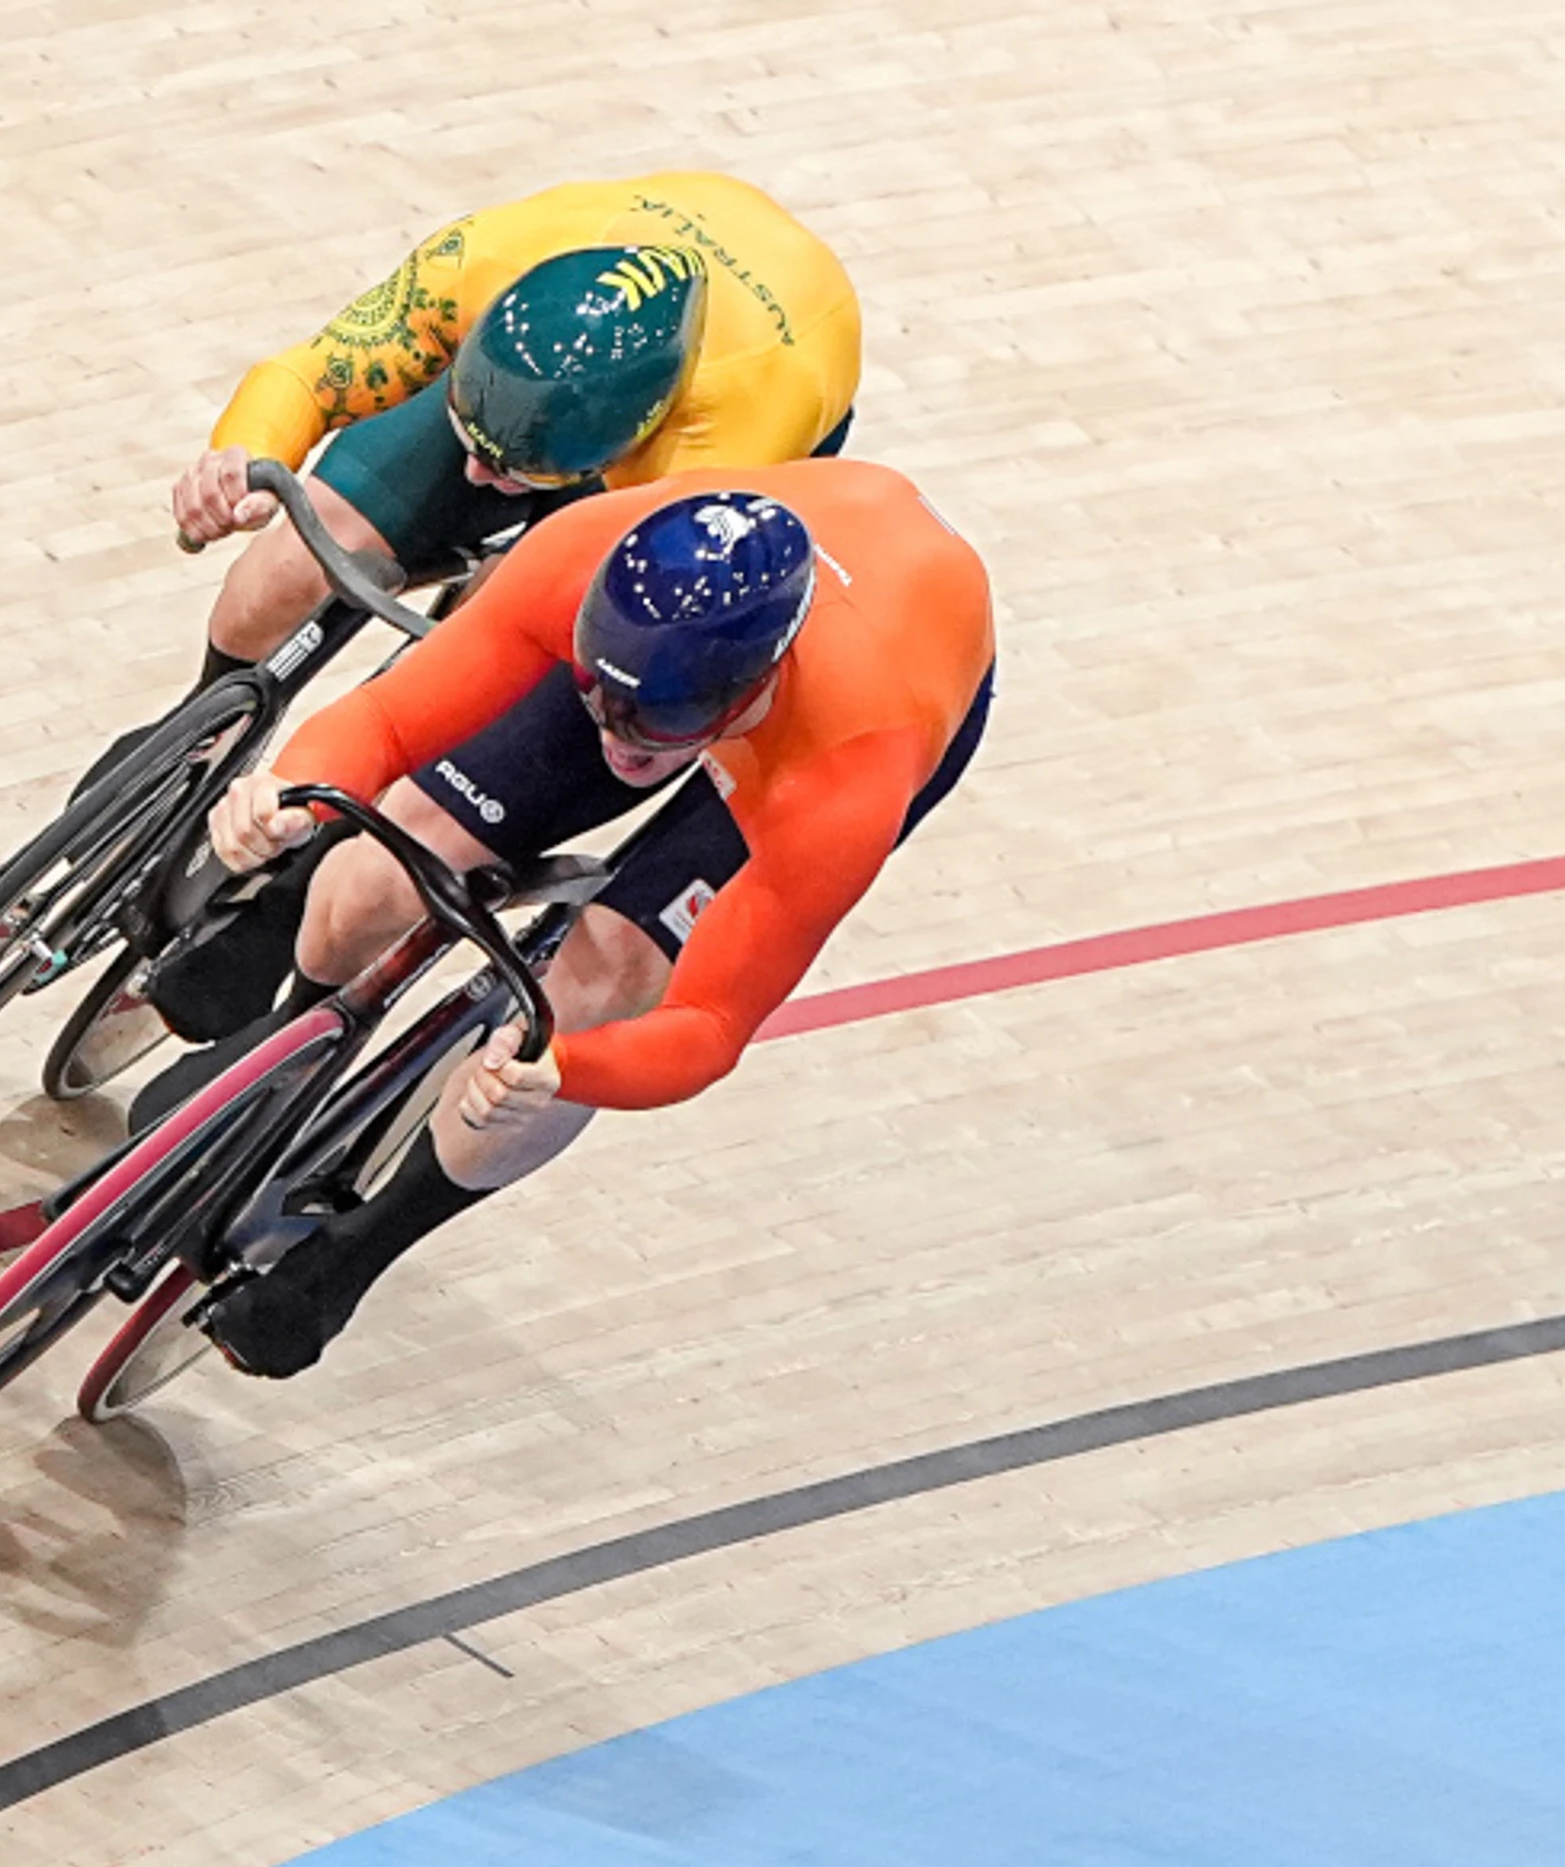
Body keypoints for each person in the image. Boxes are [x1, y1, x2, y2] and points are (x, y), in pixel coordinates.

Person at [182, 460, 997, 1375]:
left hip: (844, 711)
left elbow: (709, 1024)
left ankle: (357, 1251)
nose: (614, 735)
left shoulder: (847, 770)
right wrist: (292, 792)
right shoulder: (582, 555)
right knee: (392, 857)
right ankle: (279, 1055)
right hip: (682, 653)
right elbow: (390, 722)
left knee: (603, 979)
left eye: (647, 723)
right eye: (600, 700)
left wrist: (565, 1064)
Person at [148, 171, 863, 1034]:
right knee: (294, 561)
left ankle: (297, 893)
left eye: (516, 471)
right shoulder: (486, 262)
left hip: (709, 432)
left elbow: (545, 628)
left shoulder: (732, 438)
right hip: (588, 355)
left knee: (493, 641)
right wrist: (238, 461)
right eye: (473, 439)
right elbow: (309, 374)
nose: (483, 477)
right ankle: (199, 729)